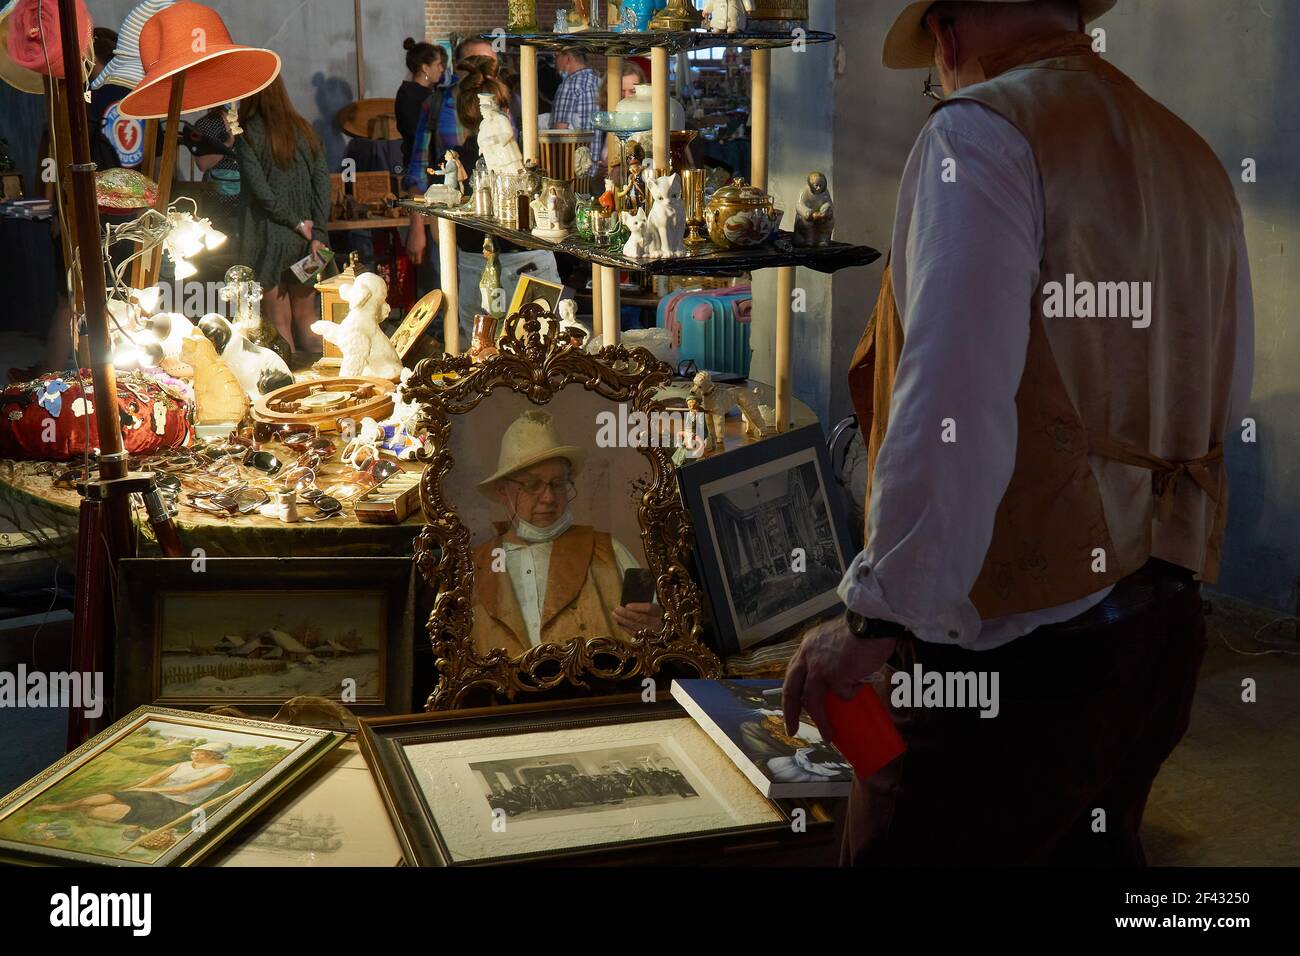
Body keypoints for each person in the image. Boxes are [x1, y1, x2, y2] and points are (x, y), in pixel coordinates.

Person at [783, 0, 1253, 866]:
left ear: (951, 34)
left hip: (1018, 658)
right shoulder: (1188, 151)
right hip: (1163, 628)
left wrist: (876, 612)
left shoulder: (979, 133)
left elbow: (950, 403)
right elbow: (1222, 390)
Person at [469, 410, 660, 656]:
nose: (548, 498)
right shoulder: (474, 565)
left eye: (558, 484)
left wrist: (657, 628)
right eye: (532, 484)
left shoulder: (607, 552)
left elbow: (659, 640)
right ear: (503, 491)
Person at [235, 75, 331, 354]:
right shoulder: (305, 128)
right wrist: (318, 231)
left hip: (270, 241)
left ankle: (290, 389)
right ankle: (324, 385)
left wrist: (295, 223)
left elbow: (261, 192)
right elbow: (323, 183)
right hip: (310, 242)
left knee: (279, 322)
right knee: (308, 318)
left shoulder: (248, 134)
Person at [36, 742, 236, 840]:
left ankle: (82, 812)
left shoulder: (223, 770)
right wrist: (134, 789)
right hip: (153, 794)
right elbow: (152, 779)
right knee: (105, 797)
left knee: (96, 812)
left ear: (211, 755)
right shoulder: (181, 764)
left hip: (175, 804)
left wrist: (147, 789)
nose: (192, 754)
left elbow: (184, 789)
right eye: (193, 751)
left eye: (197, 752)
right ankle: (63, 807)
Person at [551, 47, 600, 133]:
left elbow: (559, 131)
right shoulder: (599, 81)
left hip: (576, 146)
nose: (554, 61)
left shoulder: (569, 86)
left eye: (556, 56)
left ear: (567, 58)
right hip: (599, 146)